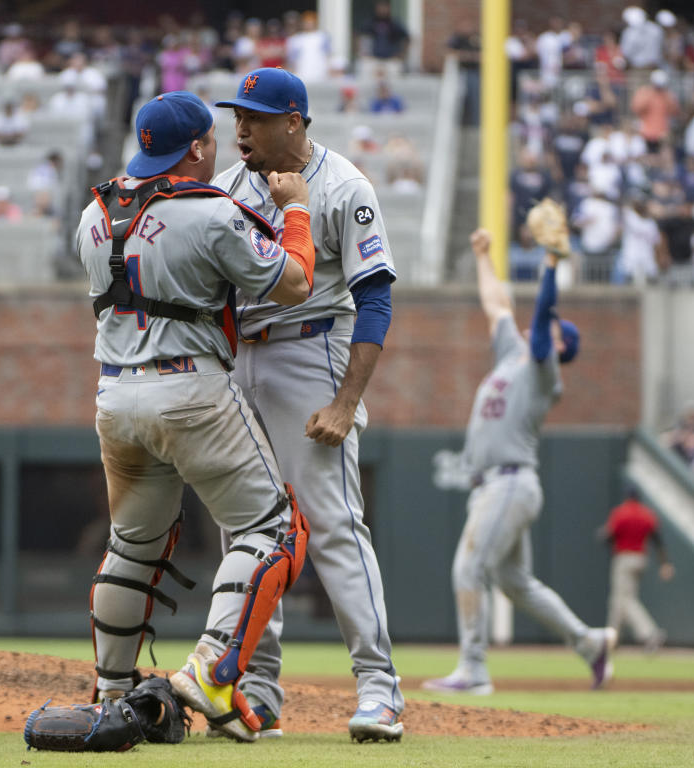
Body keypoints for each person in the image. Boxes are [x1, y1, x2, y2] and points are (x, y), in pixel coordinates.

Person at [75, 90, 316, 743]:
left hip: (116, 395)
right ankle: (211, 670)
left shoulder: (94, 213)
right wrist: (295, 209)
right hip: (190, 390)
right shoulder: (209, 210)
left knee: (132, 547)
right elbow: (294, 280)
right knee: (273, 530)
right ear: (197, 149)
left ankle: (111, 693)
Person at [211, 67, 402, 742]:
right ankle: (256, 694)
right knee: (247, 532)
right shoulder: (230, 186)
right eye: (237, 114)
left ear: (293, 122)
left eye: (255, 117)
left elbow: (375, 296)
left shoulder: (344, 185)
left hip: (312, 349)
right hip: (240, 357)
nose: (240, 128)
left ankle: (380, 691)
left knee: (333, 523)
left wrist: (348, 402)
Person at [422, 228, 616, 695]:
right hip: (500, 486)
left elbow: (546, 310)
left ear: (561, 345)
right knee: (516, 582)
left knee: (468, 569)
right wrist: (483, 256)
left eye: (550, 329)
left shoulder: (543, 368)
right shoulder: (513, 354)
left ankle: (474, 670)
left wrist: (550, 264)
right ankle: (590, 643)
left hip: (508, 483)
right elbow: (496, 306)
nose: (537, 326)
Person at [599, 487, 674, 651]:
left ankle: (650, 633)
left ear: (627, 498)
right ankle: (612, 638)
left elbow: (608, 536)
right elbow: (657, 540)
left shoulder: (621, 512)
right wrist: (664, 563)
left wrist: (603, 534)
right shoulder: (646, 513)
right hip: (641, 558)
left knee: (625, 600)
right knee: (618, 599)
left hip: (624, 558)